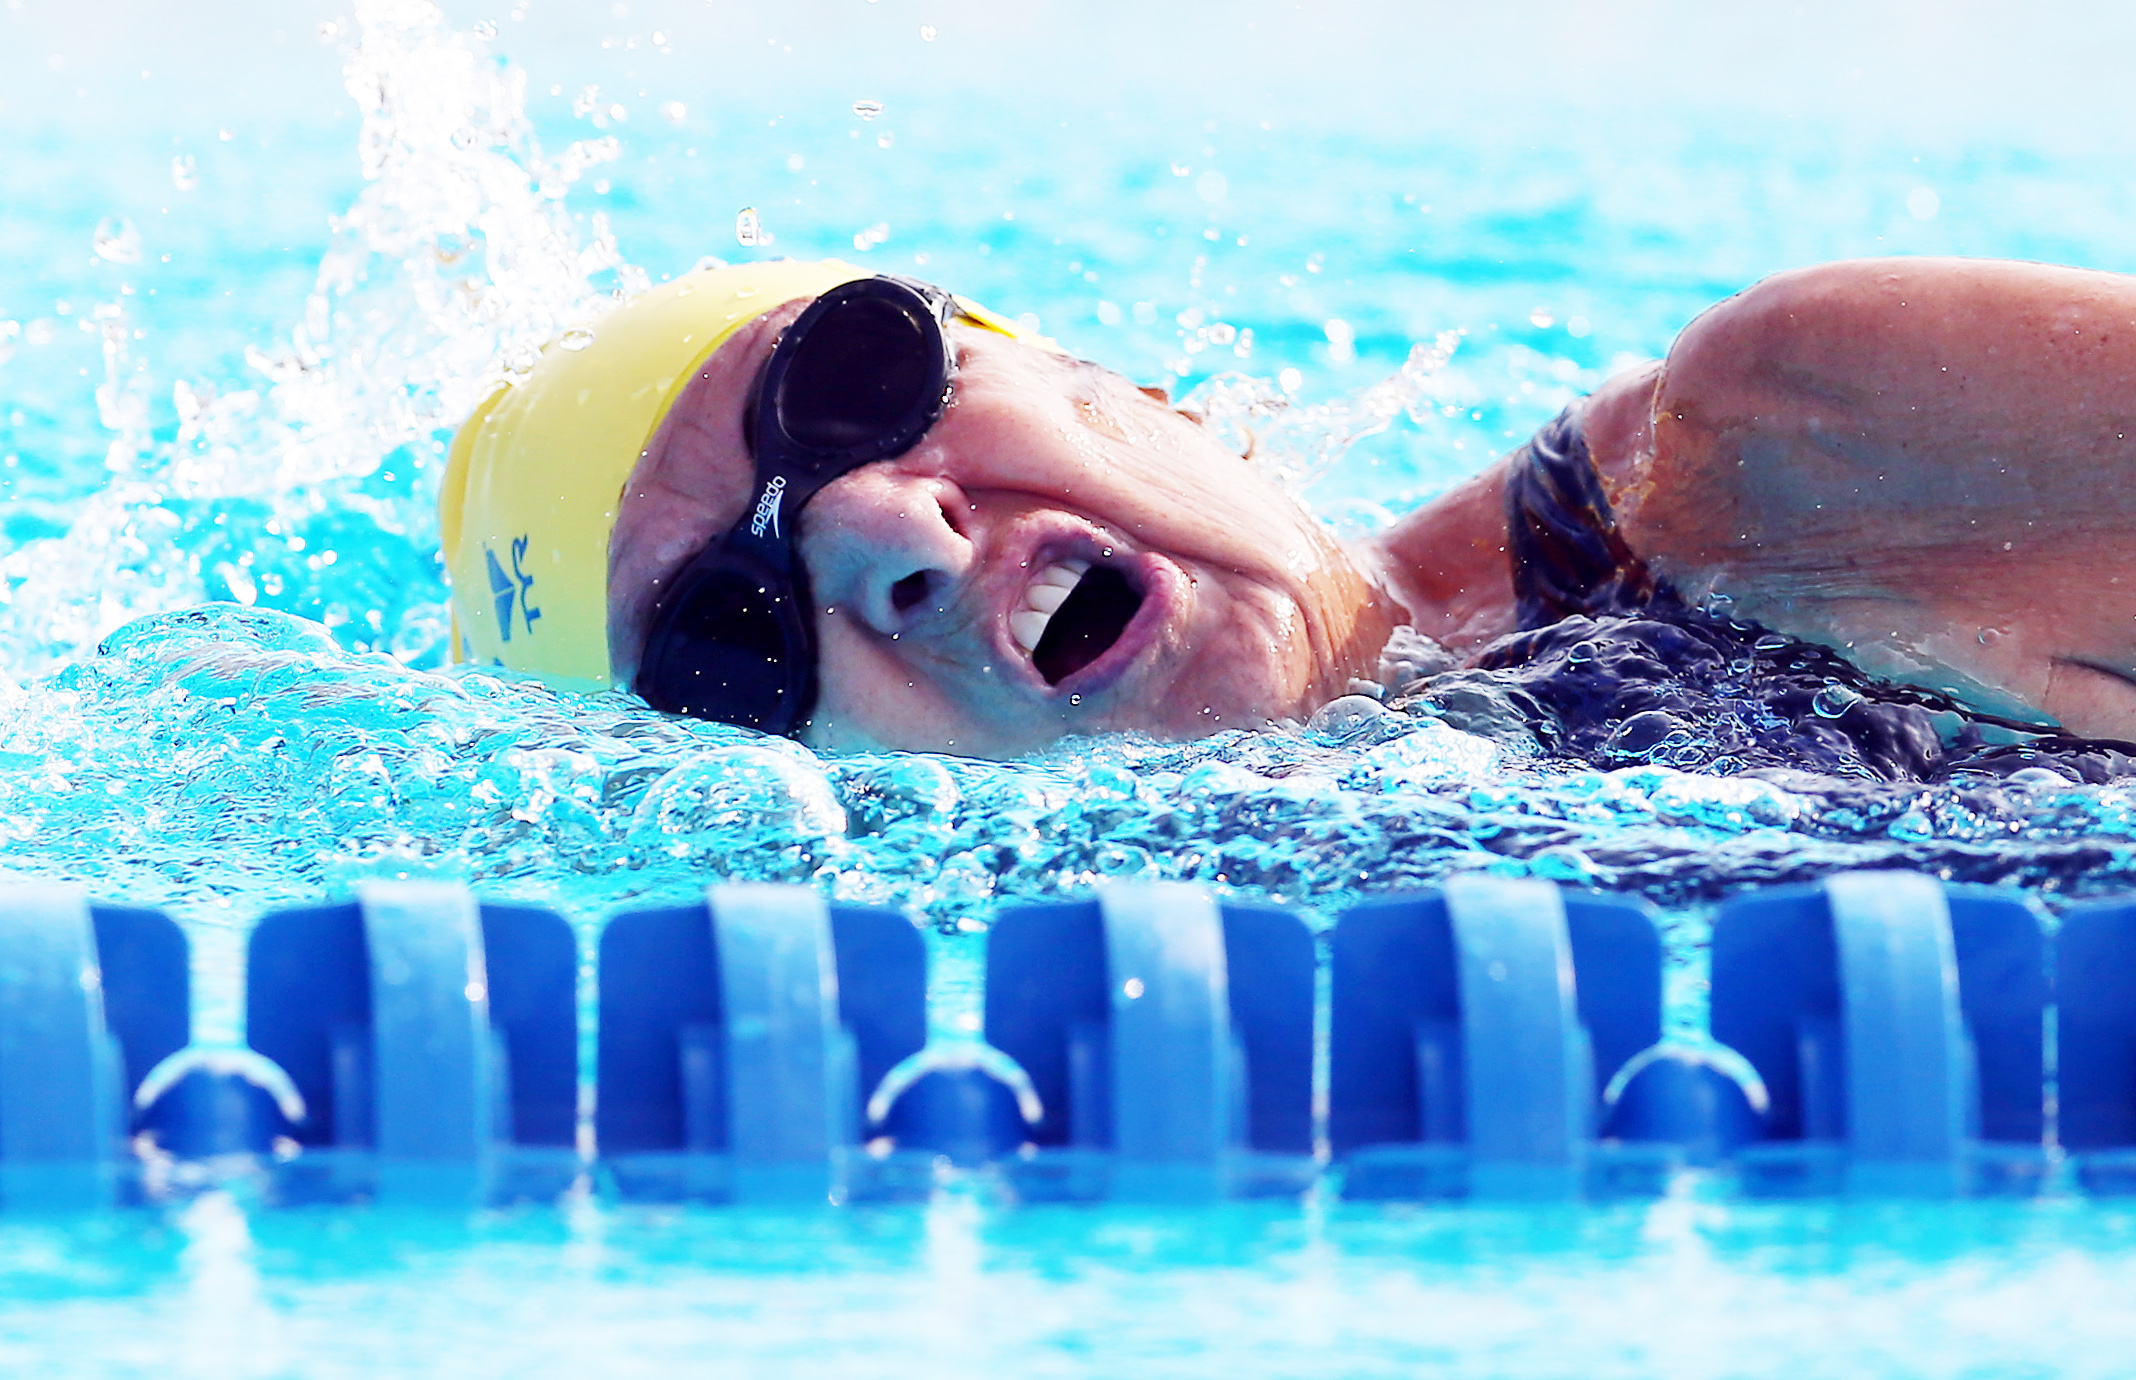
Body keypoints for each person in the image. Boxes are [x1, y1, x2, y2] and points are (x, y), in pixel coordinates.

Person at [439, 255, 2136, 760]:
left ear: (1127, 383)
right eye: (728, 642)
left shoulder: (1807, 454)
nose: (887, 540)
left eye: (852, 382)